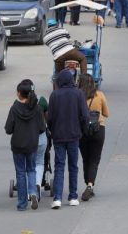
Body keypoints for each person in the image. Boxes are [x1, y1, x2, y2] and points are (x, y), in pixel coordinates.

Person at [47, 70, 89, 209]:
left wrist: (53, 132)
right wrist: (81, 131)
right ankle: (72, 196)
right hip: (74, 135)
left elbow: (50, 118)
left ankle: (57, 198)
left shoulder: (54, 95)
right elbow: (85, 116)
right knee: (73, 166)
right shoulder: (79, 94)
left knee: (59, 166)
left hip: (58, 137)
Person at [4, 79, 46, 211]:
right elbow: (42, 128)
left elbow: (8, 129)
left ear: (19, 93)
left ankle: (22, 203)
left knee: (20, 172)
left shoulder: (14, 108)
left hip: (17, 145)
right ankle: (33, 193)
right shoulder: (37, 108)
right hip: (32, 144)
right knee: (31, 169)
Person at [78, 74, 109, 202]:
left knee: (86, 158)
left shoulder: (78, 96)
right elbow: (106, 113)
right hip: (98, 129)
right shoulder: (99, 95)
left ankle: (87, 183)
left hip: (82, 130)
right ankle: (90, 185)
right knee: (95, 159)